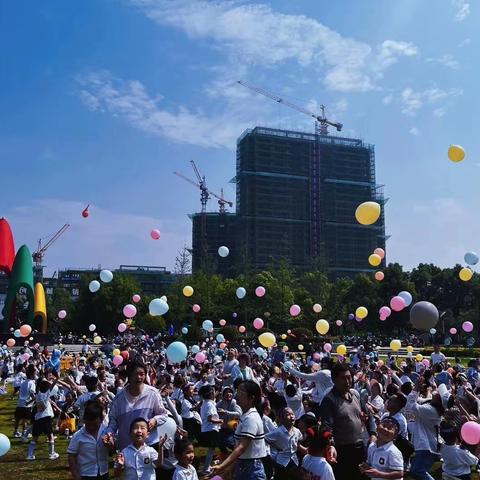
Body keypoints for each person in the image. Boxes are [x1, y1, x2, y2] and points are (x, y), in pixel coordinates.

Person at [320, 362, 377, 480]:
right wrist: (330, 445)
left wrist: (373, 433)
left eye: (349, 377)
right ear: (334, 380)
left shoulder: (355, 395)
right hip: (342, 451)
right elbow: (326, 426)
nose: (347, 381)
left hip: (360, 448)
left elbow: (369, 415)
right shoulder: (329, 400)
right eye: (342, 378)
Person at [211, 380, 267, 480]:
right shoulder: (245, 416)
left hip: (251, 469)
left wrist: (222, 466)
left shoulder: (251, 418)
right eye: (238, 390)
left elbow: (241, 448)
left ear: (251, 397)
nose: (237, 393)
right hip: (244, 466)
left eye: (242, 390)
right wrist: (231, 468)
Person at [108, 359, 167, 450]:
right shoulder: (119, 398)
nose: (139, 377)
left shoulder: (152, 393)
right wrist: (109, 434)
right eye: (135, 374)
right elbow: (113, 422)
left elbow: (163, 414)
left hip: (149, 446)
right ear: (129, 375)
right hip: (127, 447)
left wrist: (155, 420)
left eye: (142, 374)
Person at [405, 377, 444, 480]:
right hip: (427, 446)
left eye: (437, 394)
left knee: (416, 471)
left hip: (426, 447)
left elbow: (410, 405)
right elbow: (418, 400)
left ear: (439, 401)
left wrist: (416, 388)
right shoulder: (432, 406)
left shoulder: (431, 410)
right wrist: (416, 389)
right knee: (418, 472)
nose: (435, 393)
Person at [67, 400, 115, 480]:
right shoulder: (78, 436)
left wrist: (110, 445)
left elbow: (112, 452)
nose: (91, 427)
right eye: (88, 424)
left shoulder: (106, 432)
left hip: (104, 473)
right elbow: (71, 456)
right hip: (86, 474)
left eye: (95, 424)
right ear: (84, 420)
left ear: (101, 419)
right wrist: (76, 476)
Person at [265, 407, 305, 480]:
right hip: (281, 461)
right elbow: (266, 438)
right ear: (282, 419)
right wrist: (276, 447)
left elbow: (299, 440)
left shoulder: (297, 431)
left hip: (294, 460)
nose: (291, 416)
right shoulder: (278, 432)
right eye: (288, 414)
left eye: (292, 414)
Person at [27, 378, 60, 461]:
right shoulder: (46, 394)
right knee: (50, 436)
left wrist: (28, 402)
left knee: (35, 437)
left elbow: (34, 399)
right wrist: (57, 379)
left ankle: (30, 455)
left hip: (38, 418)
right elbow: (52, 386)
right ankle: (52, 454)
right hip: (46, 418)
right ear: (47, 389)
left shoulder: (38, 394)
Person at [198, 384, 223, 474]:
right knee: (211, 450)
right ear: (210, 394)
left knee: (210, 450)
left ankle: (207, 466)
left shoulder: (205, 403)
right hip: (211, 429)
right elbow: (210, 419)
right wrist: (219, 421)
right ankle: (206, 469)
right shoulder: (209, 404)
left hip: (206, 429)